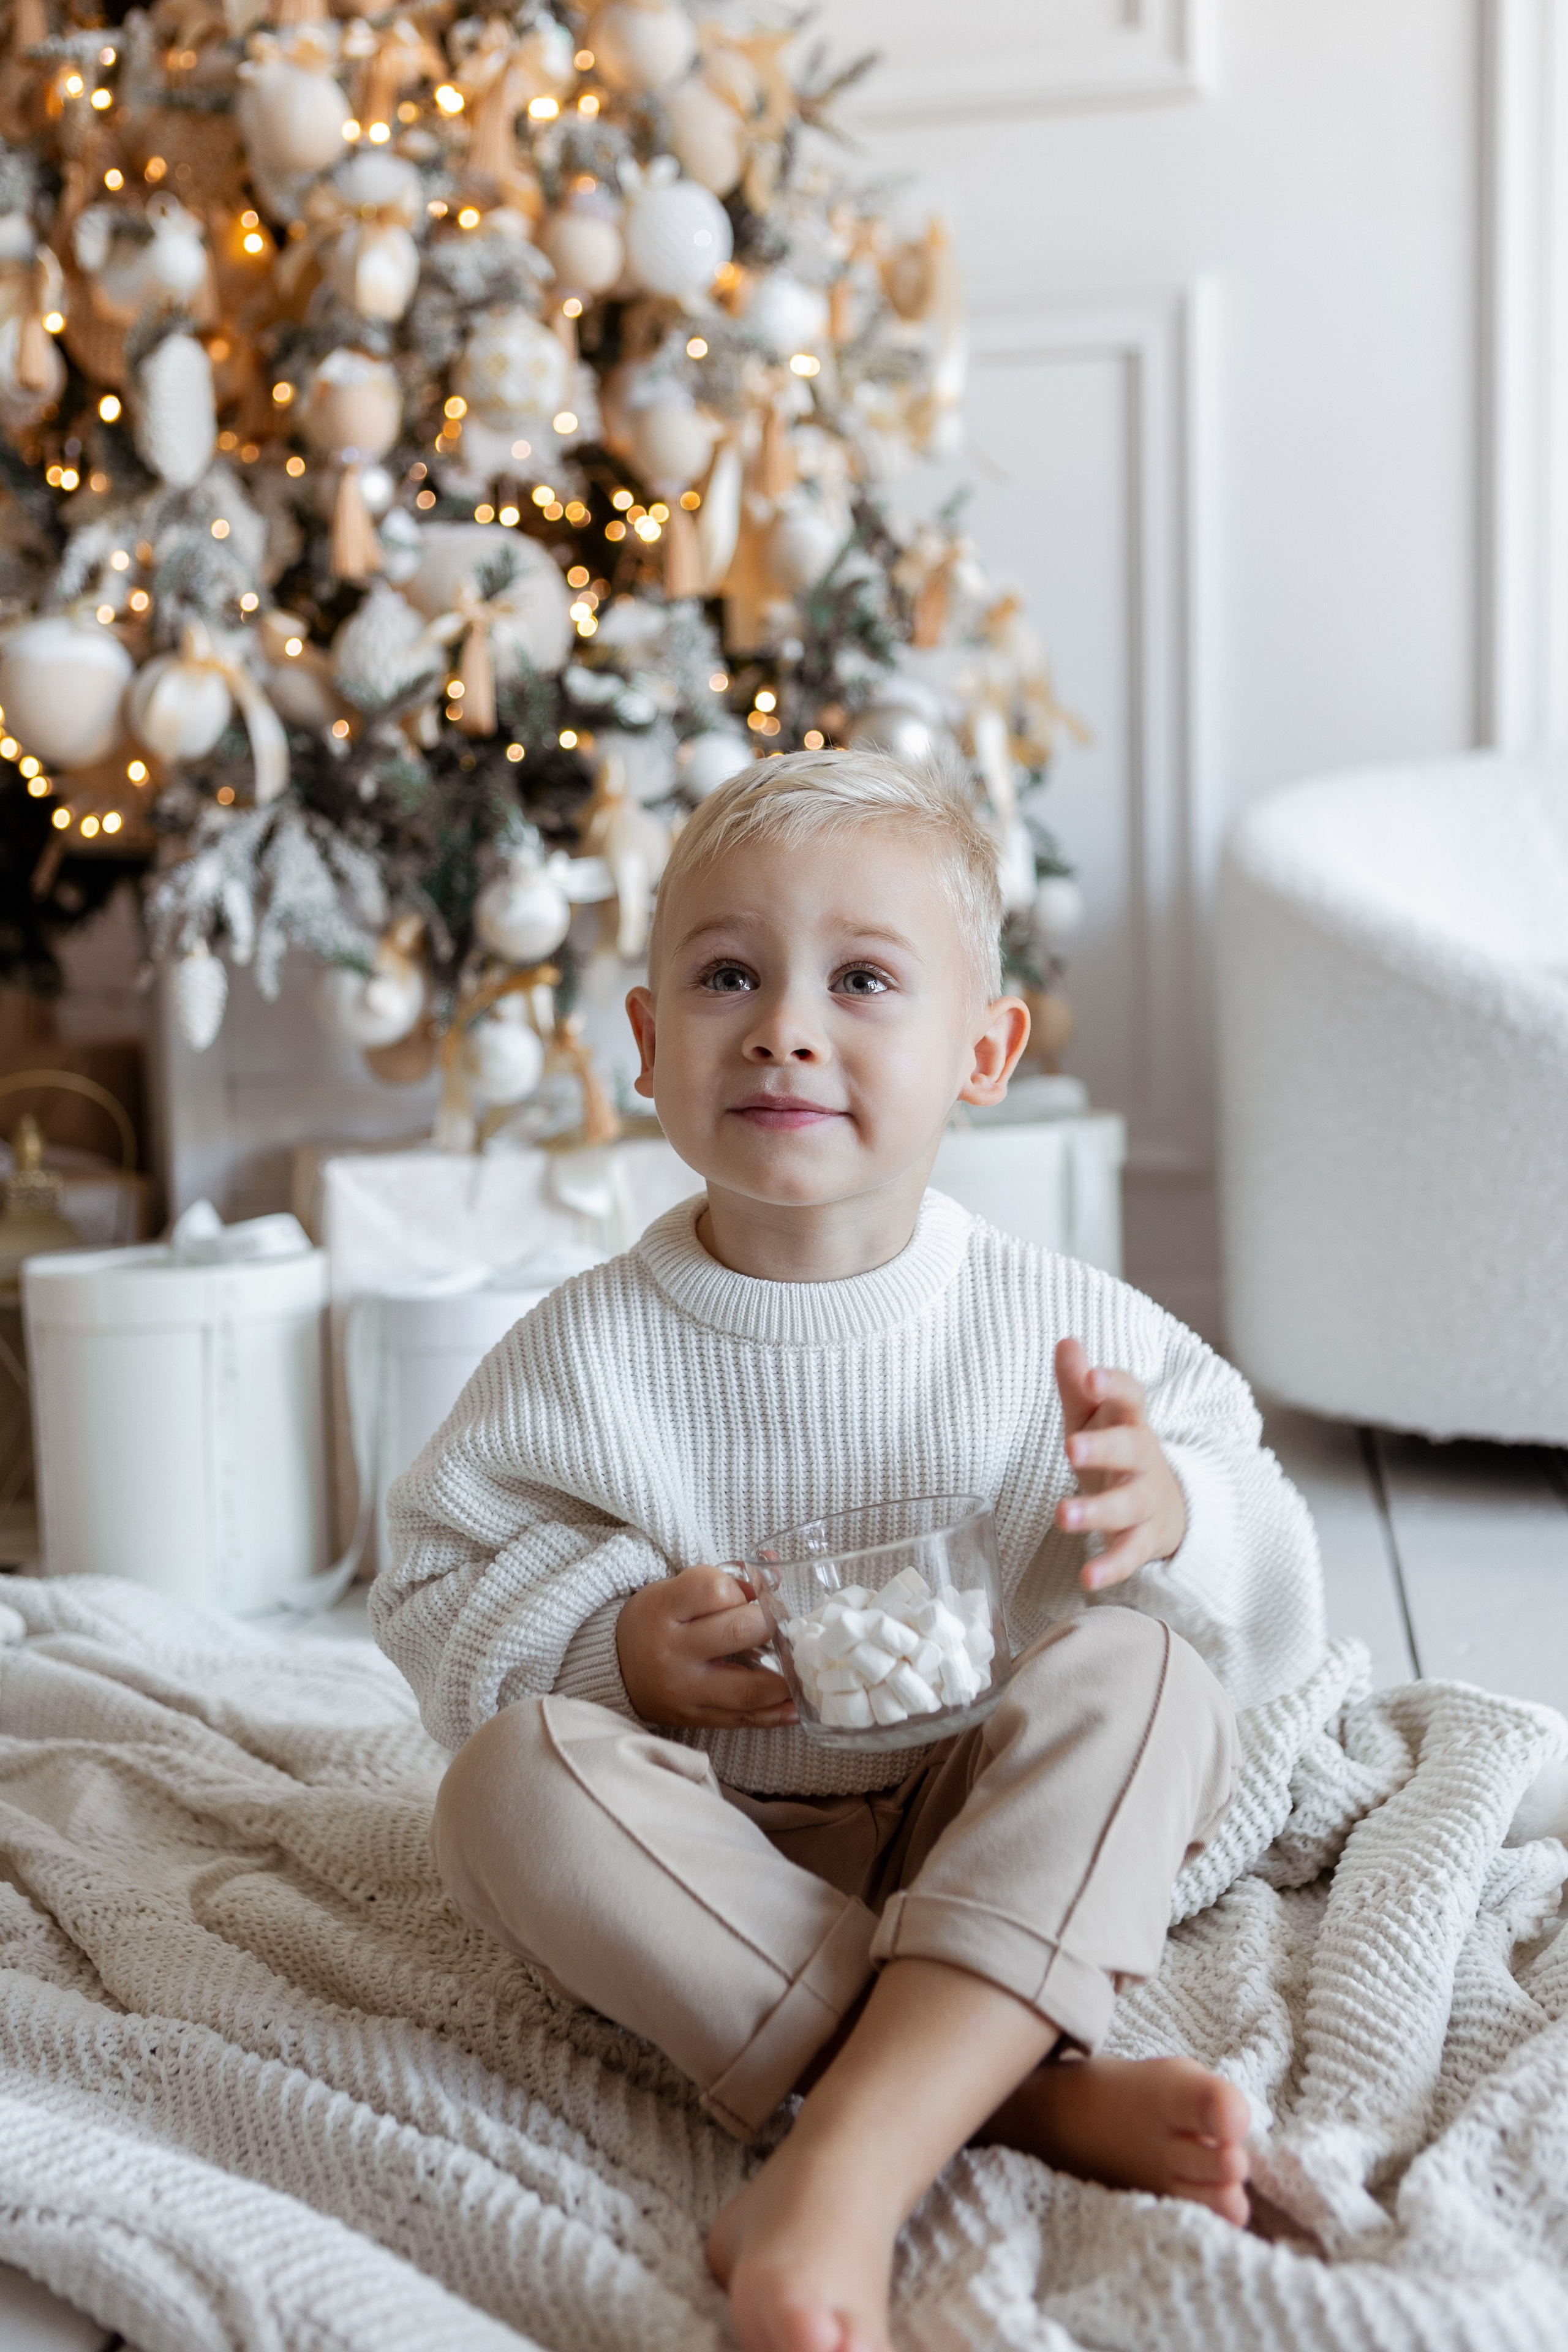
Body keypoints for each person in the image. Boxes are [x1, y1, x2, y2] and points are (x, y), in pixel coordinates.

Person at [372, 750, 1326, 2352]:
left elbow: (1281, 1601)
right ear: (649, 1042)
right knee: (505, 1783)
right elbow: (430, 1592)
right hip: (723, 1857)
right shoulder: (584, 1353)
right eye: (728, 975)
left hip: (995, 1825)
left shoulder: (1063, 1323)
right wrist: (607, 1650)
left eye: (864, 979)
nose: (786, 1025)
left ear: (984, 1050)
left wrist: (1178, 1514)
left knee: (1148, 1682)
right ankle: (1008, 2097)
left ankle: (835, 2177)